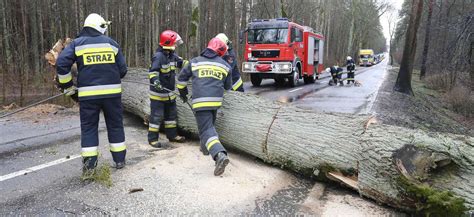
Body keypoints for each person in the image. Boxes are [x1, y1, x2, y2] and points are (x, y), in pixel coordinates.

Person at [56, 13, 127, 172]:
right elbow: (123, 70)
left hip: (88, 96)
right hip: (113, 96)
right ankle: (120, 161)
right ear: (100, 26)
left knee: (89, 128)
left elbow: (61, 64)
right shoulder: (112, 44)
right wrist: (110, 76)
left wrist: (67, 86)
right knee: (115, 126)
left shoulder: (77, 44)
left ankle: (89, 167)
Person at [176, 38, 232, 176]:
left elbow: (181, 80)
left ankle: (219, 154)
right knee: (209, 126)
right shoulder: (225, 66)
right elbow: (228, 87)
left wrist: (183, 94)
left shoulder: (194, 62)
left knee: (206, 129)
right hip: (216, 102)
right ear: (221, 52)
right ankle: (205, 148)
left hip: (200, 102)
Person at [148, 30, 186, 148]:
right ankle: (152, 139)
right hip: (158, 95)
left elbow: (182, 63)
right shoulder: (158, 57)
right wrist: (156, 82)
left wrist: (193, 64)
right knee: (156, 117)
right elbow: (153, 72)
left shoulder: (172, 56)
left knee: (171, 116)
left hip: (170, 94)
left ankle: (172, 135)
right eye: (174, 43)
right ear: (168, 43)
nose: (176, 46)